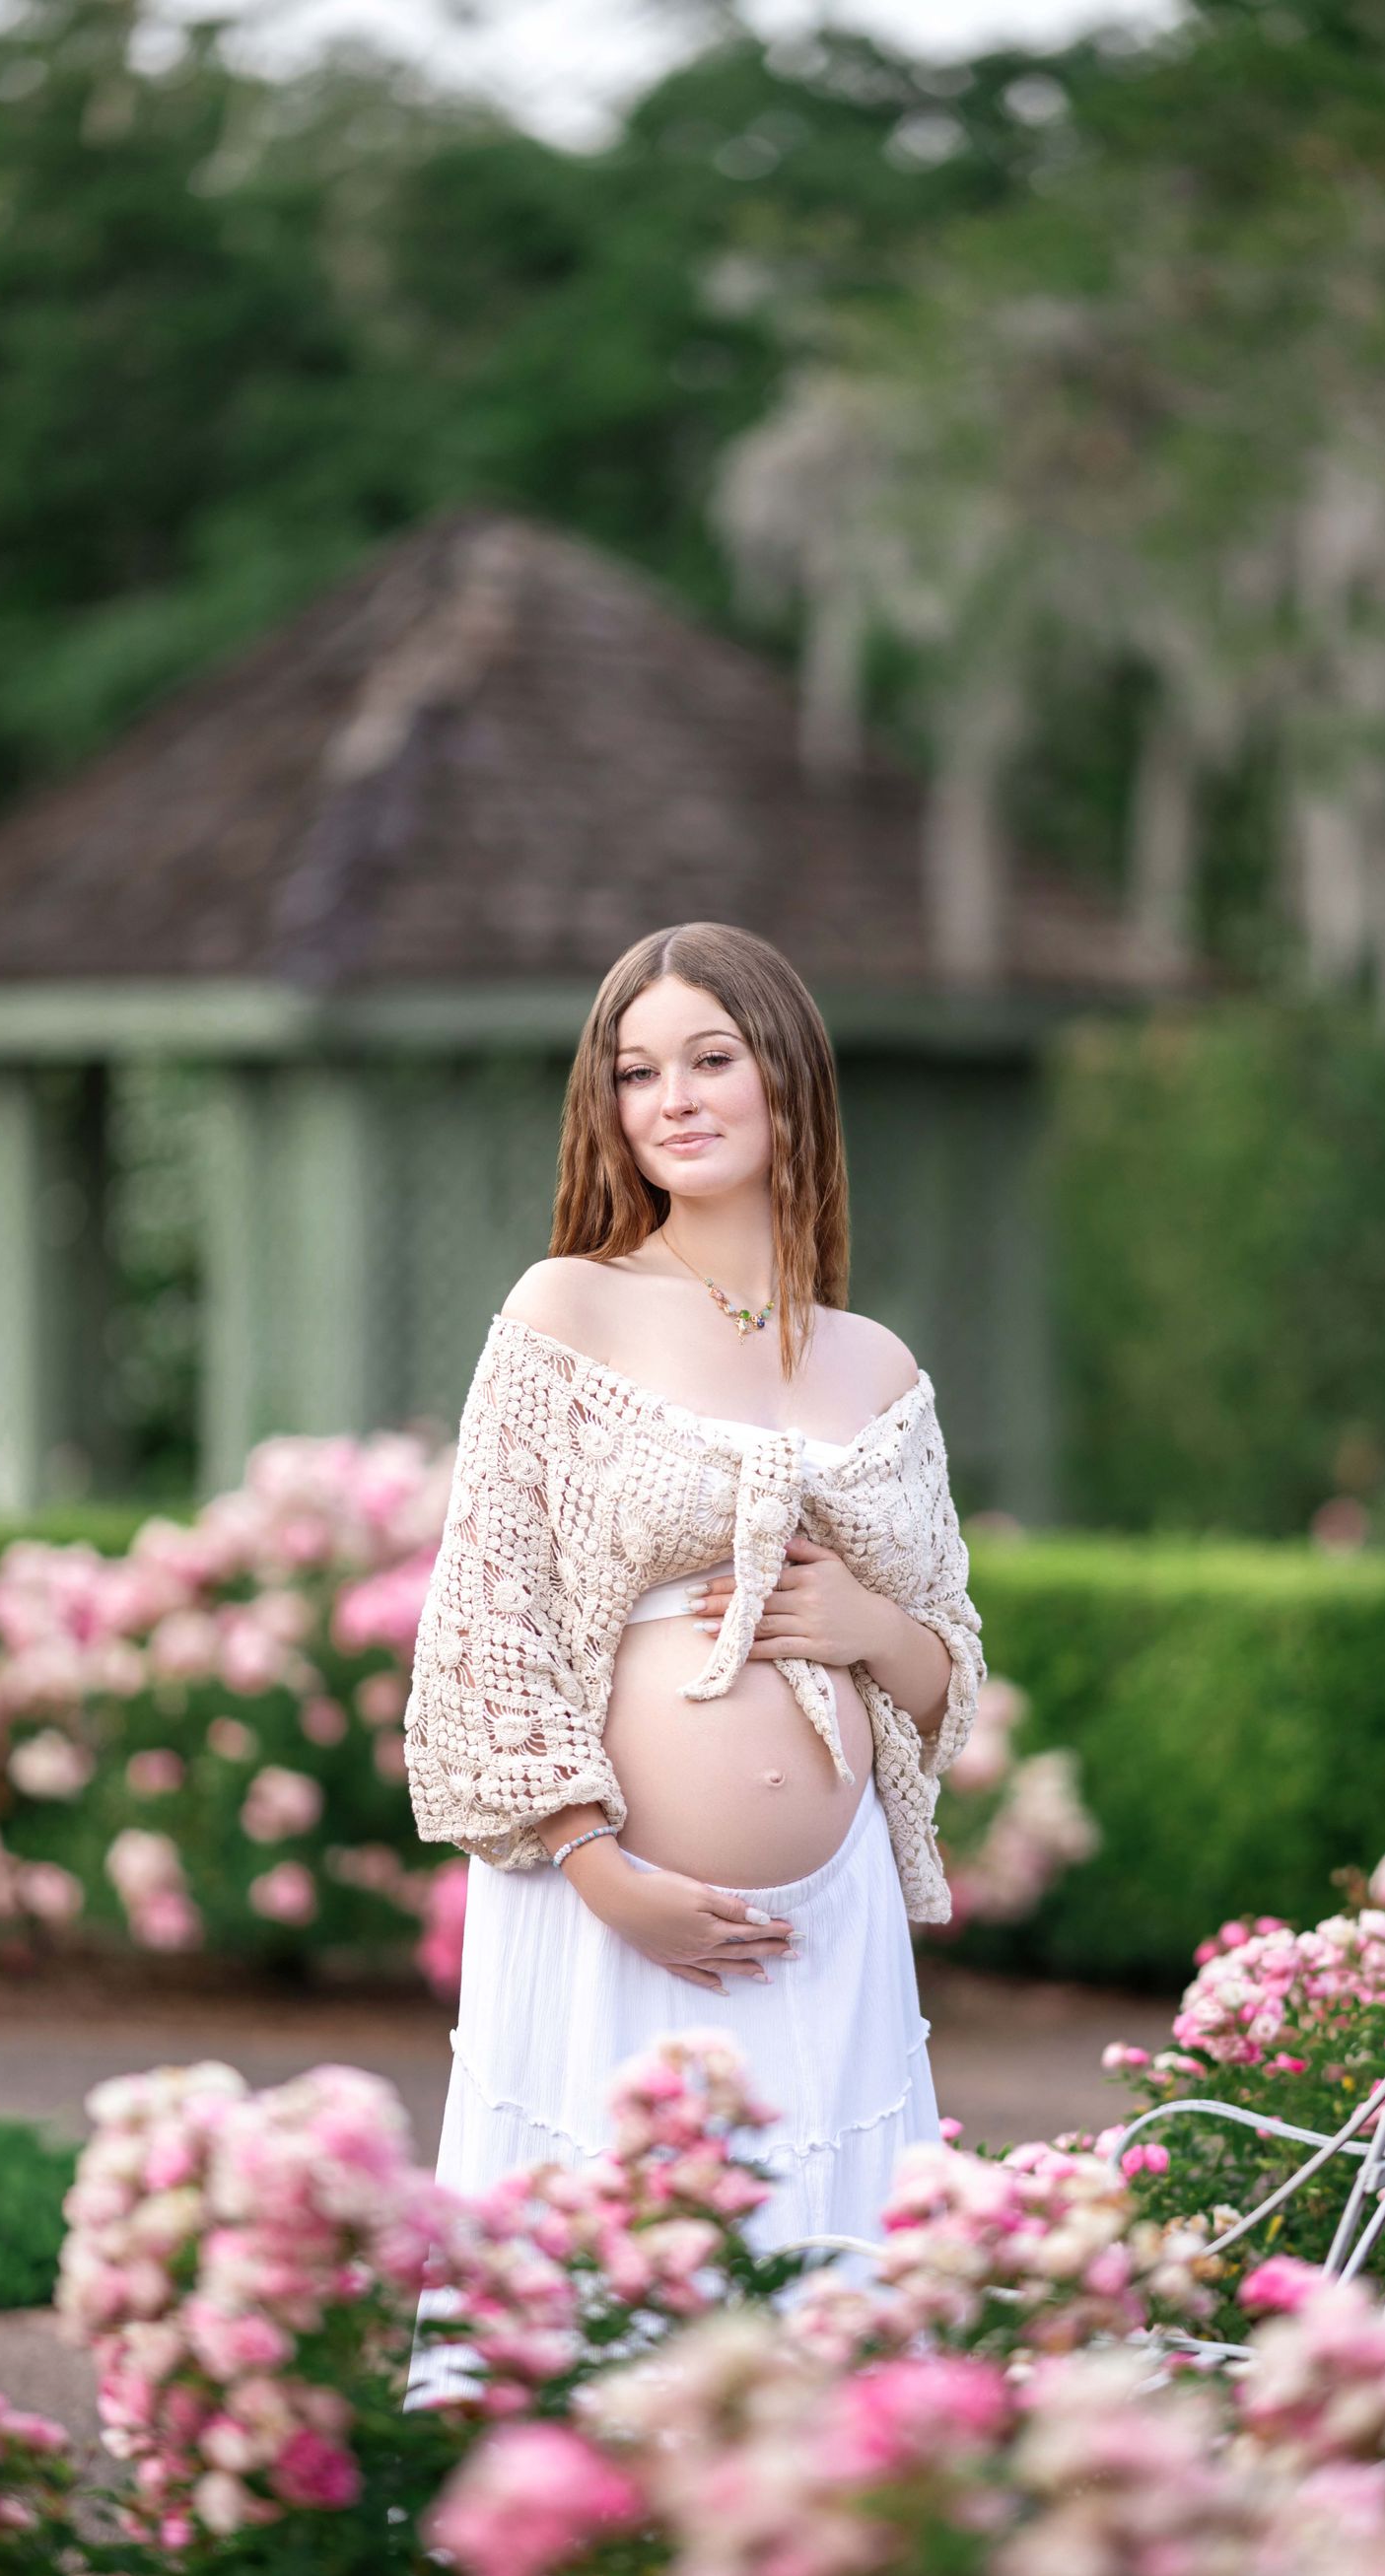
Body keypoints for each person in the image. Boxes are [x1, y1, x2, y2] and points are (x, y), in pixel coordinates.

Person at [399, 921, 986, 2405]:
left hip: (832, 1926)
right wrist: (606, 1876)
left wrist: (874, 1632)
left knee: (827, 2309)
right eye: (635, 1070)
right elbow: (491, 1631)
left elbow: (945, 1677)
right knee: (604, 2307)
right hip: (611, 1915)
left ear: (787, 1075)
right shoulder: (566, 1312)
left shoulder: (878, 1365)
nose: (672, 1097)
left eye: (709, 1058)